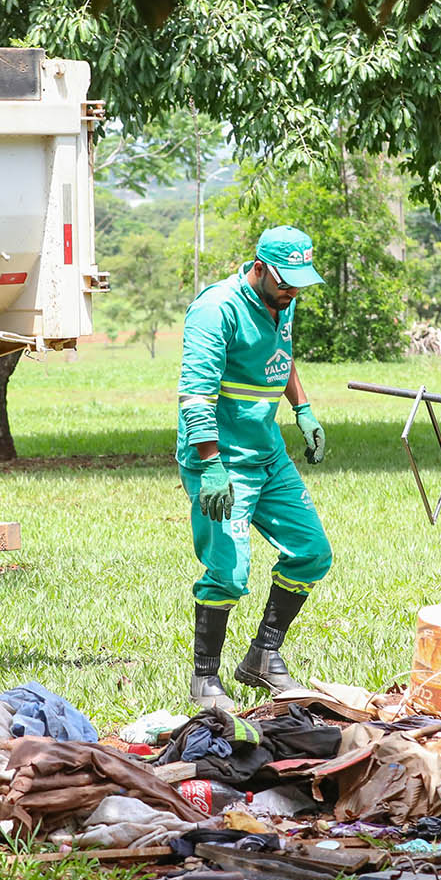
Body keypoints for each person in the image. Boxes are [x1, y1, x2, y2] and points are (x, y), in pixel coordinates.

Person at [175, 226, 332, 710]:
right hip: (221, 460)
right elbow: (194, 396)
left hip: (268, 453)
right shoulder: (214, 310)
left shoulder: (283, 300)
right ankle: (205, 680)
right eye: (287, 283)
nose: (293, 293)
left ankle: (263, 655)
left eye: (300, 284)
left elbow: (281, 360)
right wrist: (211, 467)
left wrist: (302, 409)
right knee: (229, 571)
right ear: (259, 268)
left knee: (311, 551)